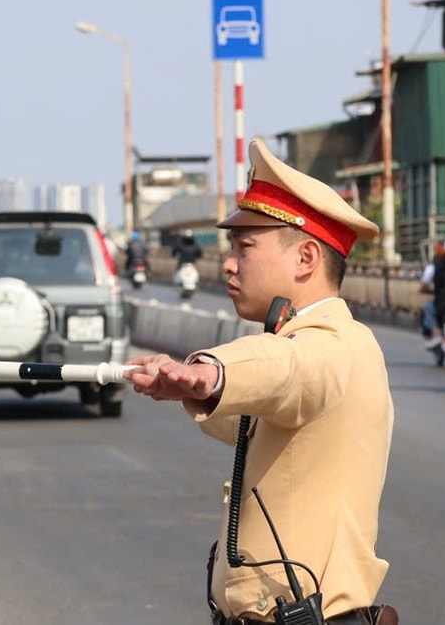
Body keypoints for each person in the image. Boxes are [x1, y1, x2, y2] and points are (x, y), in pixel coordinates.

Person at [124, 139, 396, 625]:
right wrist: (192, 388)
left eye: (245, 247)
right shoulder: (311, 345)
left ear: (306, 259)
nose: (229, 263)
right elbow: (258, 408)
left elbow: (285, 367)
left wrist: (211, 372)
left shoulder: (335, 346)